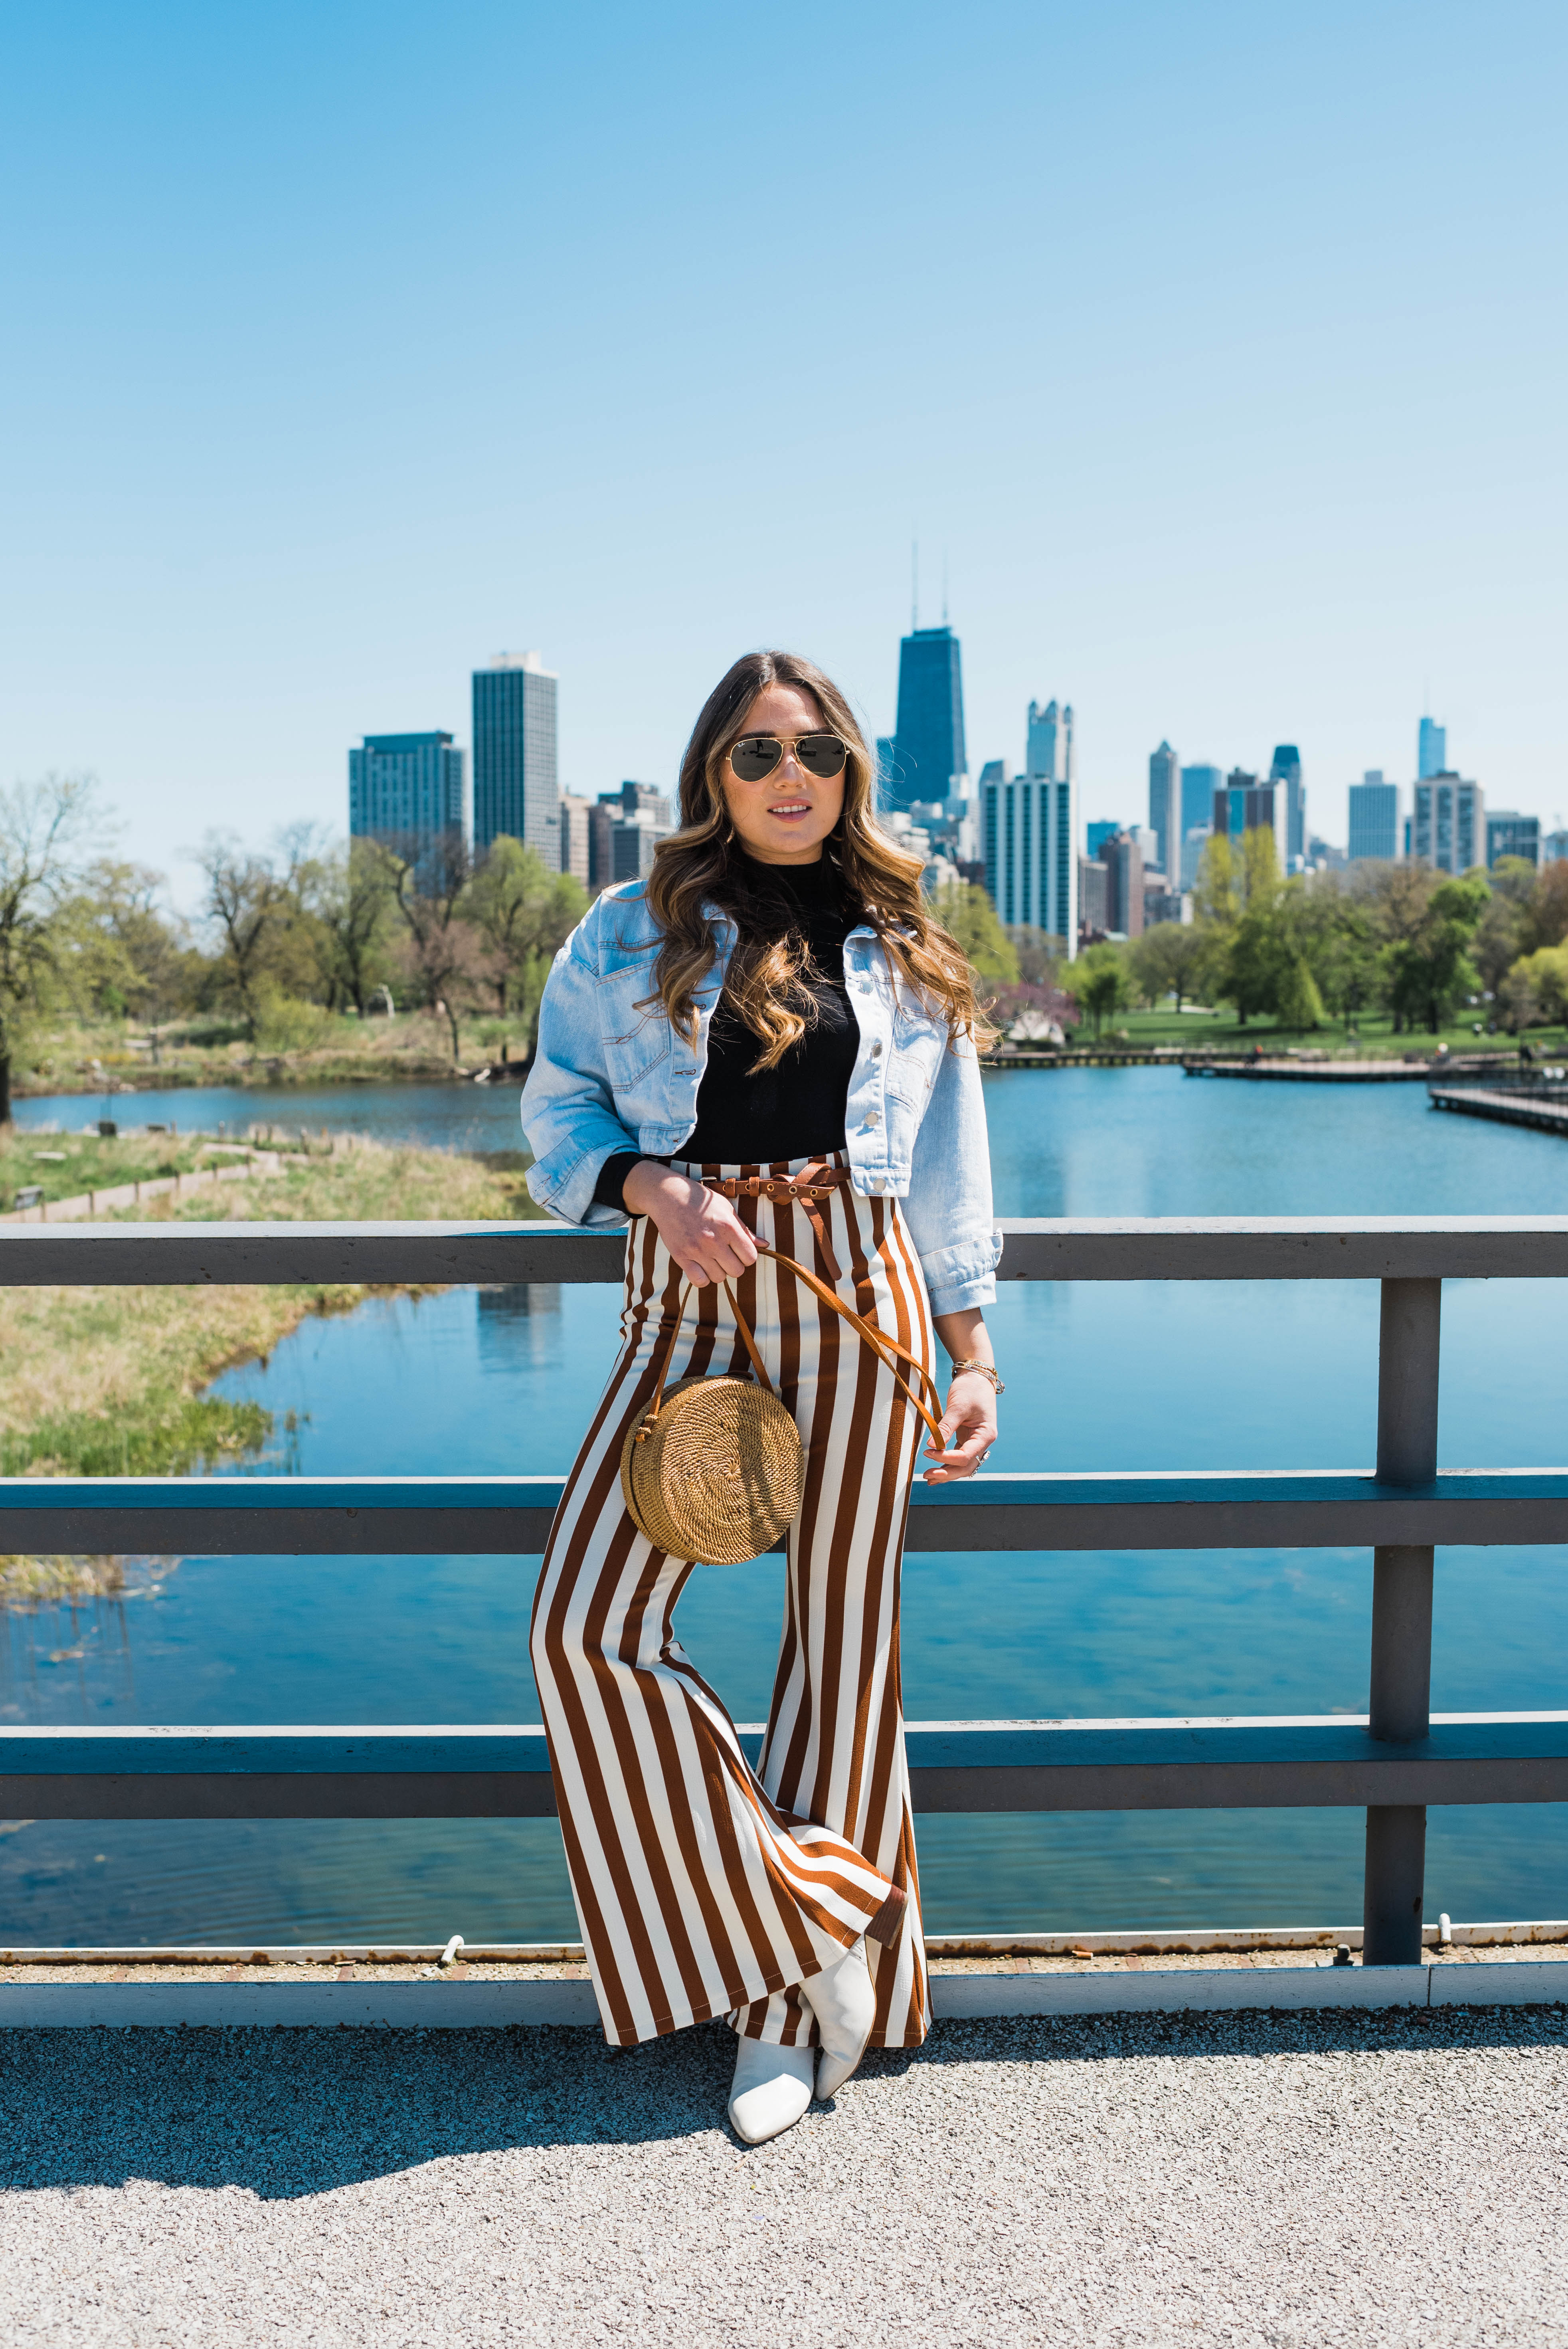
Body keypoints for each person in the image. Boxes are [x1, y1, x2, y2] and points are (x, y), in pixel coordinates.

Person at [520, 649, 1001, 2145]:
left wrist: (975, 1353)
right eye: (752, 753)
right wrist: (647, 1181)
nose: (788, 775)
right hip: (692, 1279)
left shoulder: (905, 938)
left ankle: (790, 2021)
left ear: (853, 771)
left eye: (816, 751)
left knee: (842, 1656)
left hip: (861, 1291)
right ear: (709, 778)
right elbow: (552, 1110)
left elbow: (948, 1167)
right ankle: (821, 1922)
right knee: (584, 1629)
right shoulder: (629, 927)